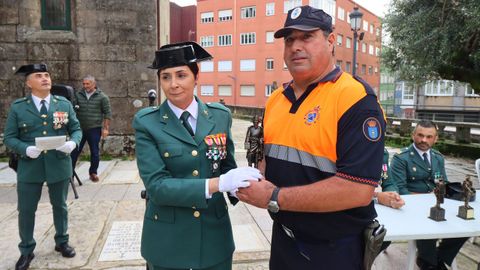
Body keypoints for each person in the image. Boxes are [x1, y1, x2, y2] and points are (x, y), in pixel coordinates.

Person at [237, 6, 386, 270]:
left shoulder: (355, 98)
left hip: (333, 250)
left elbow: (358, 190)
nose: (296, 46)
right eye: (290, 39)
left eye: (306, 37)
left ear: (330, 42)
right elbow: (268, 161)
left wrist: (274, 197)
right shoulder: (276, 100)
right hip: (284, 240)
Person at [132, 41, 261, 270]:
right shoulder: (147, 123)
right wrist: (217, 184)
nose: (173, 84)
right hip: (167, 240)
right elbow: (157, 187)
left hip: (214, 237)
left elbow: (226, 166)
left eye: (181, 75)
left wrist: (239, 185)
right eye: (165, 77)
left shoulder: (219, 116)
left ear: (196, 76)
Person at [3, 64, 82, 270]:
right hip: (30, 167)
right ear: (29, 83)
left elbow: (76, 129)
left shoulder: (63, 104)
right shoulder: (19, 107)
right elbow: (10, 137)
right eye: (39, 76)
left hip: (58, 164)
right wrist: (24, 148)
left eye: (47, 75)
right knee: (26, 210)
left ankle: (62, 242)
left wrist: (73, 143)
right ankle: (26, 250)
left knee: (60, 206)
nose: (45, 78)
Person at [390, 120, 468, 270]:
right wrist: (427, 197)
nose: (423, 140)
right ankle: (429, 262)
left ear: (435, 138)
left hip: (436, 203)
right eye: (420, 135)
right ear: (413, 135)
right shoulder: (401, 158)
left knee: (465, 223)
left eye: (429, 136)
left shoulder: (438, 157)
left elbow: (442, 181)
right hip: (411, 207)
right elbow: (400, 190)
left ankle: (440, 256)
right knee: (427, 222)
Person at [71, 75, 111, 182]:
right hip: (79, 129)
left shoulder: (102, 97)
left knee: (94, 151)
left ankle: (93, 173)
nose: (85, 86)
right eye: (84, 84)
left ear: (94, 84)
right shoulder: (78, 95)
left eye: (87, 84)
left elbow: (107, 114)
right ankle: (70, 173)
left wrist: (106, 129)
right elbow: (72, 110)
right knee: (74, 151)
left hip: (94, 128)